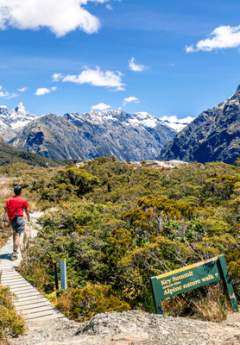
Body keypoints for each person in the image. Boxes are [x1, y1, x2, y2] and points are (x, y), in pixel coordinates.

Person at [2, 186, 31, 261]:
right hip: (19, 218)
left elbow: (6, 211)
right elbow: (27, 211)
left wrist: (3, 221)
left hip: (11, 219)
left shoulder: (9, 200)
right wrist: (28, 218)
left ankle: (14, 249)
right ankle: (14, 253)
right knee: (17, 235)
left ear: (14, 191)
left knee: (14, 234)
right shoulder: (23, 200)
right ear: (21, 192)